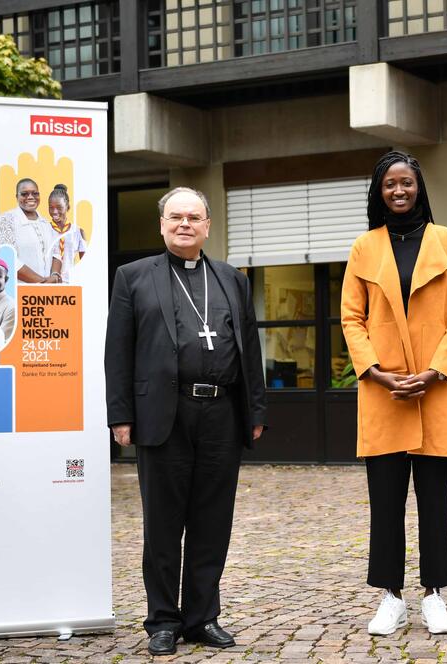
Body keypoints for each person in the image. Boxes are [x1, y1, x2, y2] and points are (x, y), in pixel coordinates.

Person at [105, 187, 267, 656]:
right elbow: (118, 350)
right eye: (175, 217)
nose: (184, 224)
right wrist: (120, 415)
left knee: (212, 521)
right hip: (162, 413)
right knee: (163, 523)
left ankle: (202, 617)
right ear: (161, 224)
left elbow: (250, 347)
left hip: (221, 412)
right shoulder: (133, 277)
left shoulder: (231, 280)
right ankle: (162, 620)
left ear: (207, 225)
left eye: (194, 217)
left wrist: (255, 410)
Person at [340, 151, 447, 636]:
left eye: (407, 183)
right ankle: (390, 597)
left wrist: (437, 370)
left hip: (434, 391)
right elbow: (351, 318)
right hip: (383, 394)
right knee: (386, 501)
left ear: (420, 187)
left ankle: (435, 594)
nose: (399, 191)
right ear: (379, 191)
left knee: (435, 501)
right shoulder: (364, 247)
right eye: (390, 184)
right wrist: (374, 372)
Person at [0, 177, 61, 284]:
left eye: (35, 193)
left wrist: (54, 275)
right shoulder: (6, 220)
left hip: (47, 293)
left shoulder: (45, 223)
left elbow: (56, 253)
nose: (30, 197)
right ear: (17, 197)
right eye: (24, 194)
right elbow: (8, 258)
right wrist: (42, 282)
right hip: (21, 292)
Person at [45, 184, 86, 283]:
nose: (54, 212)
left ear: (67, 207)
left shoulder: (78, 232)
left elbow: (85, 263)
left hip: (70, 283)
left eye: (59, 207)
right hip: (47, 283)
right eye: (51, 207)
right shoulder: (44, 229)